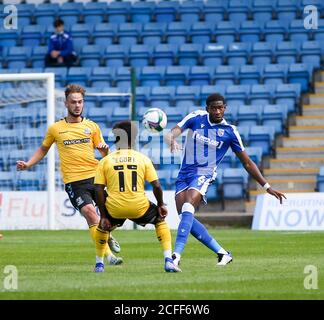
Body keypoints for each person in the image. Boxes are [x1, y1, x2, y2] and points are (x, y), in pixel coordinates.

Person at [166, 93, 286, 268]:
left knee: (188, 206)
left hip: (204, 174)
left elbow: (247, 162)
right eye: (213, 108)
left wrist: (266, 186)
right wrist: (171, 141)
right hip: (184, 173)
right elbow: (171, 133)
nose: (217, 111)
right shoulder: (195, 117)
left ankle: (175, 257)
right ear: (207, 108)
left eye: (220, 107)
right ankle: (223, 253)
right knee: (185, 217)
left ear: (225, 108)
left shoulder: (230, 132)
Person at [16, 84, 122, 266]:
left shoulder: (92, 127)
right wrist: (28, 164)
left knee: (111, 216)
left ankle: (108, 233)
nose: (77, 105)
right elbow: (43, 149)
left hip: (96, 177)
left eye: (80, 102)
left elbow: (105, 156)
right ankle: (109, 255)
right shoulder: (56, 129)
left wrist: (105, 152)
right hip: (75, 182)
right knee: (90, 213)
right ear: (66, 103)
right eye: (73, 102)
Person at [93, 120, 181, 273]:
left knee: (102, 228)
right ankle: (168, 260)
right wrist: (161, 204)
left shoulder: (106, 161)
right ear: (134, 138)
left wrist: (104, 215)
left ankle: (99, 265)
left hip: (115, 208)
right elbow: (157, 186)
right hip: (139, 207)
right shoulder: (143, 159)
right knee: (160, 220)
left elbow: (98, 189)